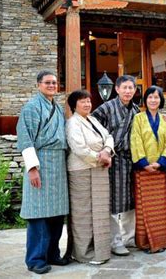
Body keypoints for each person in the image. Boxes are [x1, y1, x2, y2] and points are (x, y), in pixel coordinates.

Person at [16, 70, 69, 275]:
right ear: (38, 84)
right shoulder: (31, 107)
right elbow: (25, 137)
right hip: (40, 162)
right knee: (38, 214)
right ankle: (35, 259)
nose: (51, 86)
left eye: (54, 83)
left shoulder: (57, 108)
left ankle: (52, 254)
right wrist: (32, 168)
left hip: (58, 163)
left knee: (56, 213)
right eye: (47, 82)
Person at [91, 75, 140, 256]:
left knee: (130, 200)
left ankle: (129, 237)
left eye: (131, 88)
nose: (128, 91)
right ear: (117, 89)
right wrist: (103, 151)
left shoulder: (136, 110)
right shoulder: (106, 108)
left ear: (135, 91)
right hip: (111, 160)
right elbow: (93, 130)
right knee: (112, 201)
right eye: (124, 87)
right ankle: (115, 241)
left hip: (130, 160)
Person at [66, 90, 114, 264]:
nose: (87, 104)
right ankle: (83, 253)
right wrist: (99, 157)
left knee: (100, 211)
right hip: (81, 170)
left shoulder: (92, 120)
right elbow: (78, 148)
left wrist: (107, 151)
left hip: (100, 169)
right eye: (82, 101)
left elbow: (108, 136)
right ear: (74, 105)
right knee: (83, 212)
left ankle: (100, 251)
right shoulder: (72, 123)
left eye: (88, 101)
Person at [130, 86, 166, 254]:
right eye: (150, 97)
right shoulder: (138, 118)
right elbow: (135, 140)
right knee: (144, 208)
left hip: (159, 171)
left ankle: (160, 241)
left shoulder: (165, 120)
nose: (153, 100)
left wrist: (161, 162)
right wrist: (143, 163)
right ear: (145, 100)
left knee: (159, 208)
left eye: (156, 97)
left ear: (161, 100)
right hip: (144, 170)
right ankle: (146, 242)